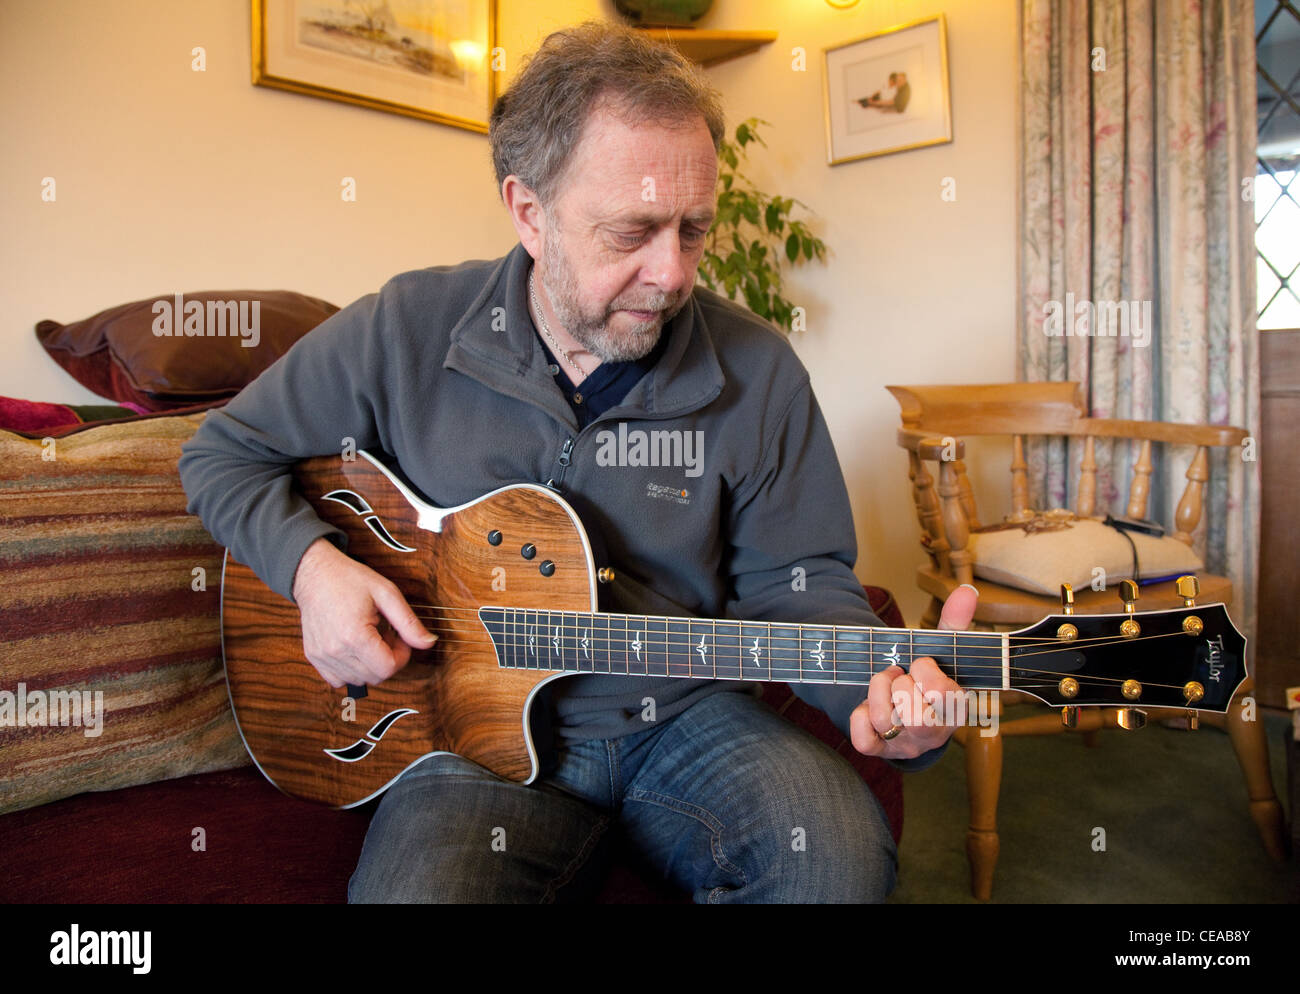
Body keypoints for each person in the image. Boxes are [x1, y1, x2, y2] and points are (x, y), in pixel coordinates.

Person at [179, 21, 973, 904]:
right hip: (466, 739)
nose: (671, 274)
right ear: (530, 213)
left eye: (694, 230)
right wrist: (314, 571)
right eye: (632, 231)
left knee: (837, 863)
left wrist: (884, 691)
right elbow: (224, 452)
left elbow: (802, 583)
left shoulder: (760, 372)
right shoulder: (404, 326)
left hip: (680, 715)